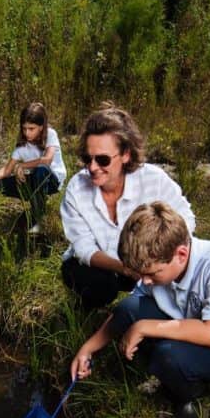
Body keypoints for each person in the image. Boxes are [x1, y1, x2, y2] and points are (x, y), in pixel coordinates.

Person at [70, 201, 210, 418]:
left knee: (169, 355)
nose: (145, 281)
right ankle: (171, 374)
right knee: (130, 308)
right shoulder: (159, 267)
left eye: (151, 274)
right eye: (141, 274)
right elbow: (129, 310)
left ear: (181, 254)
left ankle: (190, 399)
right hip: (197, 324)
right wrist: (87, 349)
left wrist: (145, 327)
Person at [60, 104, 196, 309]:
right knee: (99, 286)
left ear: (126, 154)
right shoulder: (77, 188)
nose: (93, 167)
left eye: (103, 160)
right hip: (102, 266)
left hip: (146, 263)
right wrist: (124, 268)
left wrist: (157, 253)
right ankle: (85, 314)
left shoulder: (153, 179)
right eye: (88, 159)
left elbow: (186, 220)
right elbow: (83, 248)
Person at [0, 102, 67, 234]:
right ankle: (36, 202)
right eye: (24, 128)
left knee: (41, 169)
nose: (27, 133)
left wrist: (22, 166)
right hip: (35, 180)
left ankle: (39, 219)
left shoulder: (50, 134)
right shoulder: (22, 147)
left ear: (41, 127)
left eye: (31, 129)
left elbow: (47, 160)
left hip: (52, 180)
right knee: (0, 185)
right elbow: (7, 170)